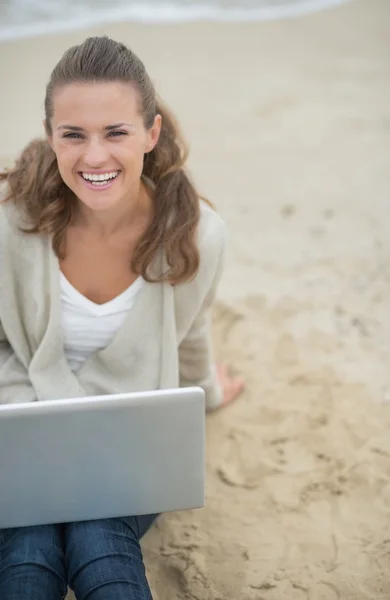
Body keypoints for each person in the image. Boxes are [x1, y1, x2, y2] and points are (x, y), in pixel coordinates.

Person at [0, 36, 244, 599]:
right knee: (28, 540)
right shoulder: (13, 221)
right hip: (25, 421)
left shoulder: (197, 236)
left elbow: (192, 329)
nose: (94, 157)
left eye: (116, 132)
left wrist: (205, 390)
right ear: (50, 136)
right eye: (74, 135)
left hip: (127, 438)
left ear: (150, 133)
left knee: (98, 530)